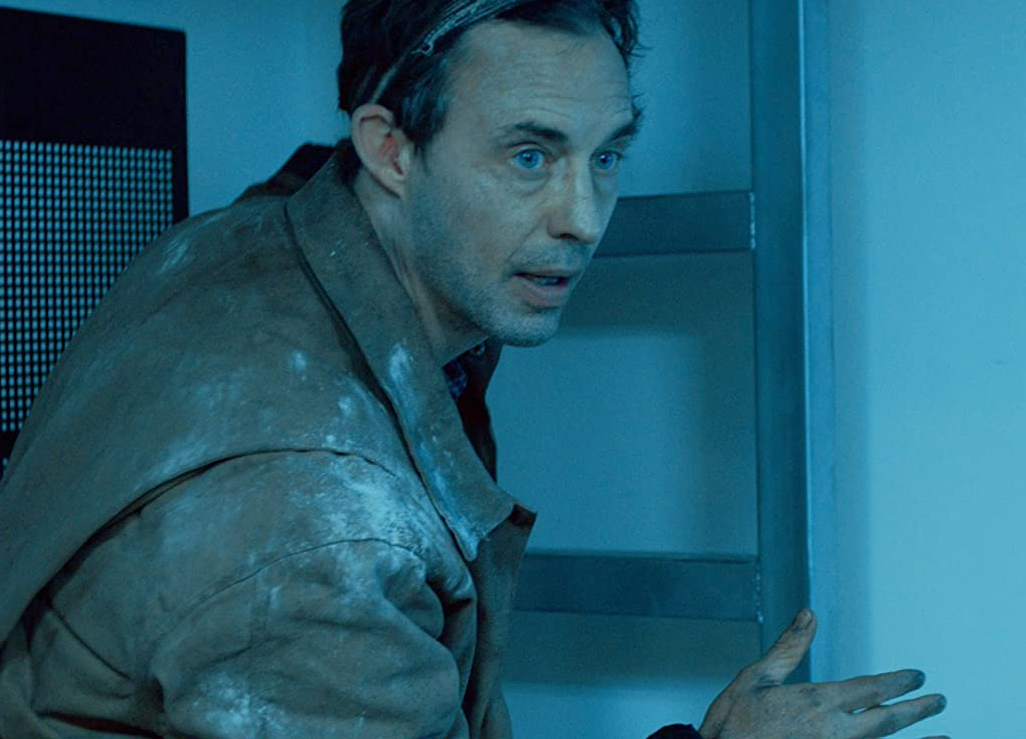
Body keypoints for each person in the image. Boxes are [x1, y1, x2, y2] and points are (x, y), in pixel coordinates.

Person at [0, 1, 948, 737]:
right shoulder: (321, 535)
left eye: (607, 155)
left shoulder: (269, 238)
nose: (583, 218)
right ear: (389, 148)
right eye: (530, 156)